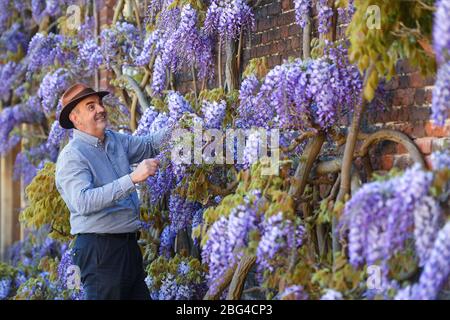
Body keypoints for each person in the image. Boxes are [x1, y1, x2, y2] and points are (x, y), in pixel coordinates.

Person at [55, 83, 168, 299]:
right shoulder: (73, 156)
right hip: (99, 251)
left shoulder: (114, 140)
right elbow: (83, 201)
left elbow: (149, 145)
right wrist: (132, 179)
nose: (100, 109)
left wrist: (182, 127)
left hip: (128, 246)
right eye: (91, 106)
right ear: (75, 118)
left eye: (99, 103)